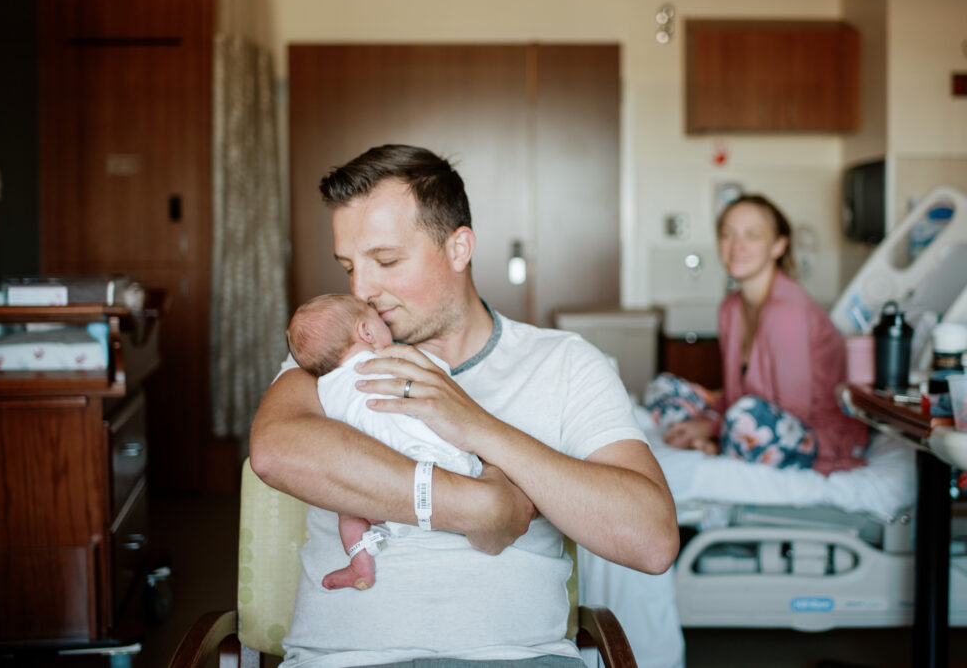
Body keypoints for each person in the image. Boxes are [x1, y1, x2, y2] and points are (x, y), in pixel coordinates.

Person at [249, 144, 678, 667]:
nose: (362, 290)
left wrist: (475, 425)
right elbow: (276, 452)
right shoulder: (337, 357)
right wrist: (481, 507)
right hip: (344, 659)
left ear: (459, 248)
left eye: (385, 260)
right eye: (348, 267)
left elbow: (652, 540)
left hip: (517, 658)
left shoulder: (564, 363)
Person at [650, 193, 867, 475]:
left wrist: (712, 425)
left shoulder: (786, 312)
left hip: (811, 433)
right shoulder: (730, 308)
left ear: (778, 245)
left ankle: (715, 444)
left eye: (751, 236)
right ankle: (715, 441)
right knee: (663, 389)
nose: (737, 246)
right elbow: (734, 390)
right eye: (727, 235)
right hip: (754, 416)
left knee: (743, 417)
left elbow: (793, 413)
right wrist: (712, 411)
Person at [286, 292, 482, 592]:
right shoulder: (394, 358)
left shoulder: (323, 390)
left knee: (346, 508)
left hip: (378, 490)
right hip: (442, 468)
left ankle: (359, 560)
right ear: (366, 332)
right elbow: (442, 384)